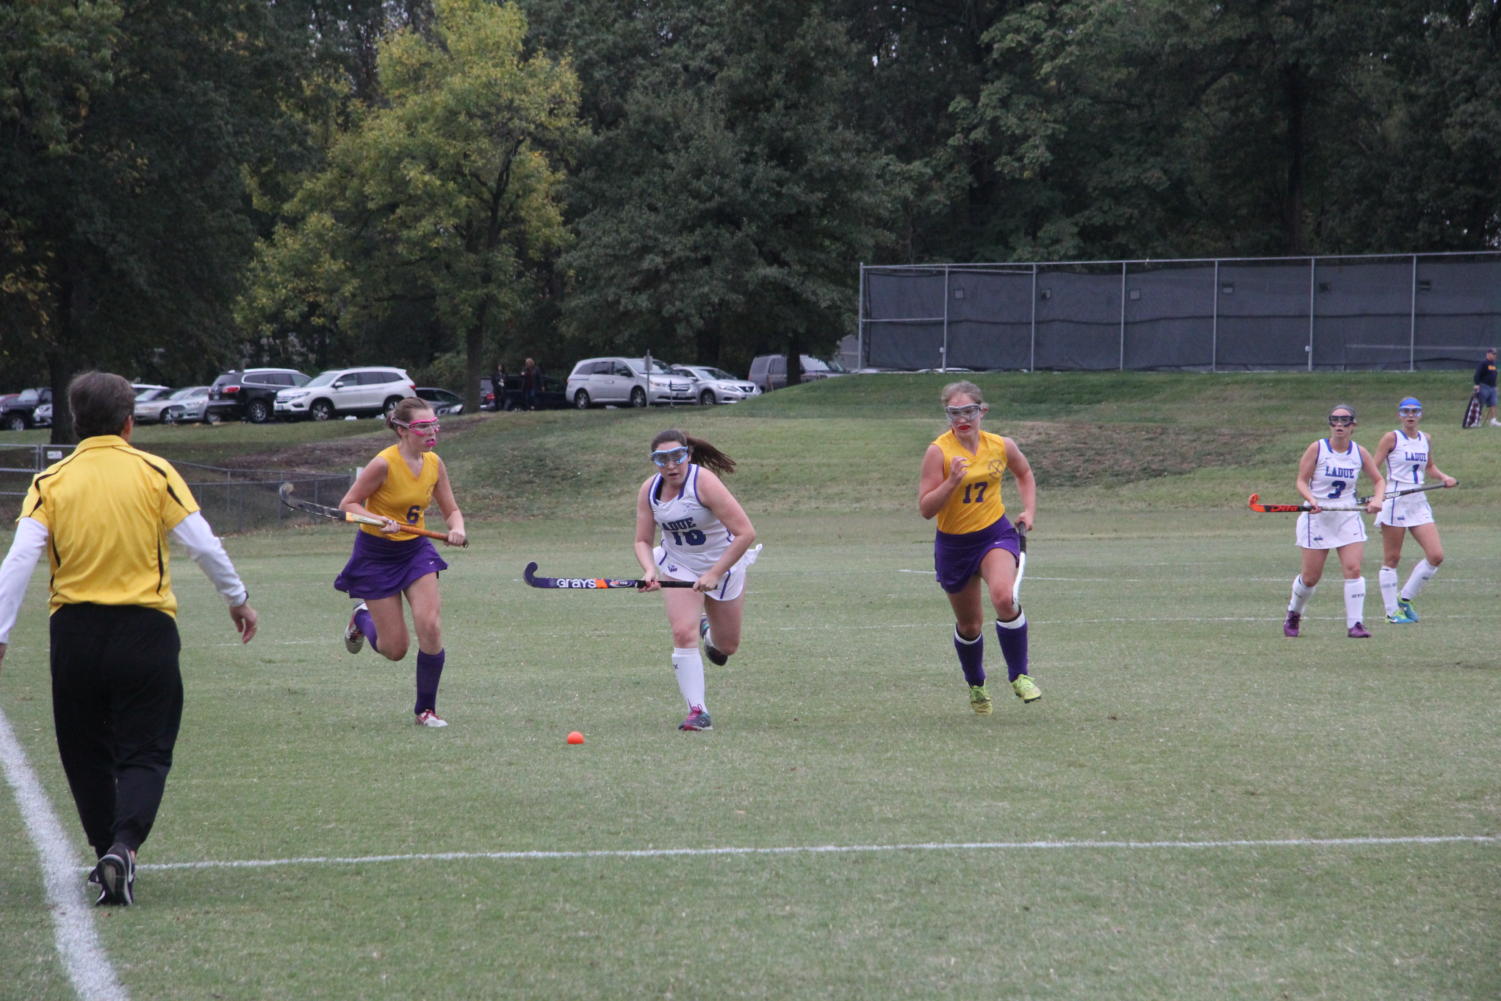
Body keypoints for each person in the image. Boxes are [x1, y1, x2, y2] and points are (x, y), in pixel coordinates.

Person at [0, 371, 258, 906]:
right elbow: (204, 546)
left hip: (74, 634)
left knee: (84, 751)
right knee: (145, 750)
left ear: (75, 422)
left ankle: (107, 852)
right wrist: (237, 599)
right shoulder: (155, 471)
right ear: (128, 421)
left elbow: (21, 557)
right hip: (146, 631)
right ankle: (124, 847)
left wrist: (0, 631)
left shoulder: (52, 481)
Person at [337, 398, 467, 727]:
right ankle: (361, 617)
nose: (431, 432)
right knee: (395, 649)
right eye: (423, 427)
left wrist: (457, 529)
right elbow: (348, 505)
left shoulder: (435, 463)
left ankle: (426, 710)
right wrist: (379, 519)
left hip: (415, 551)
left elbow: (451, 509)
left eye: (434, 425)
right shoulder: (383, 463)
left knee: (431, 626)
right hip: (377, 555)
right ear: (402, 430)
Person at [917, 381, 1039, 715]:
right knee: (970, 626)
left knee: (1004, 597)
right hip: (954, 545)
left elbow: (1024, 473)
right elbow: (926, 509)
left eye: (969, 411)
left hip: (994, 535)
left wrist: (1028, 510)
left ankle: (1020, 676)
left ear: (982, 410)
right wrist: (952, 482)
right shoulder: (938, 452)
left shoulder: (1001, 445)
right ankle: (976, 684)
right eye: (954, 413)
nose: (962, 418)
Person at [632, 429, 759, 731]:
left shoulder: (704, 483)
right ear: (654, 462)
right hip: (679, 564)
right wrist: (650, 570)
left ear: (687, 455)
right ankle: (697, 711)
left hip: (723, 563)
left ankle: (709, 633)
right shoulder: (649, 490)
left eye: (677, 456)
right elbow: (641, 540)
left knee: (726, 647)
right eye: (662, 459)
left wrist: (714, 573)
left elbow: (745, 533)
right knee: (680, 633)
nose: (671, 465)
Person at [1282, 404, 1386, 639]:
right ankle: (1294, 613)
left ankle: (1356, 624)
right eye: (1335, 420)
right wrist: (1311, 499)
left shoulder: (1359, 453)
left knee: (1353, 568)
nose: (1339, 425)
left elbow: (1379, 481)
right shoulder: (1317, 449)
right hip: (1317, 518)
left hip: (1347, 516)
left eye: (1345, 421)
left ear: (1353, 425)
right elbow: (1301, 481)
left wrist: (1377, 500)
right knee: (1310, 577)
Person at [1372, 397, 1457, 623]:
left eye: (1415, 412)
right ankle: (1392, 612)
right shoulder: (1392, 438)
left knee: (1436, 555)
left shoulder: (1425, 439)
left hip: (1418, 499)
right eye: (1406, 411)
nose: (1410, 415)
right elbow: (1373, 468)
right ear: (1399, 415)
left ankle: (1405, 599)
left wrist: (1444, 477)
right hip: (1395, 499)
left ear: (1420, 415)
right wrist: (1378, 496)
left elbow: (1429, 467)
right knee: (1392, 558)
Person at [1472, 346, 1499, 427]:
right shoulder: (1483, 363)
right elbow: (1477, 374)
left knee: (1493, 404)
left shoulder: (1493, 364)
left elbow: (1494, 375)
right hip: (1484, 386)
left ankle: (1493, 421)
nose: (1494, 356)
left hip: (1492, 388)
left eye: (1495, 354)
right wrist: (1477, 384)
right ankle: (1477, 421)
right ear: (1488, 354)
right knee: (1480, 403)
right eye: (1493, 354)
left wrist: (1495, 386)